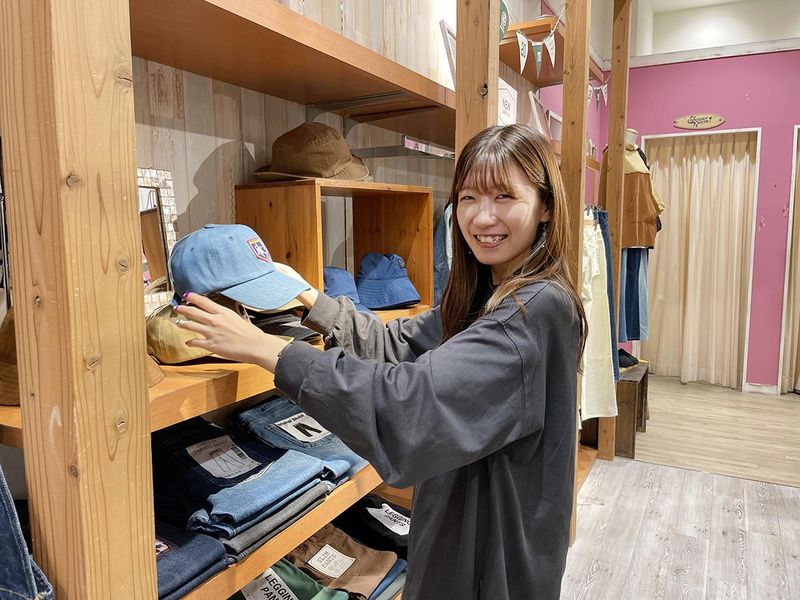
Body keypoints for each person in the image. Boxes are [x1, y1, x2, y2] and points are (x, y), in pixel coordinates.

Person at [174, 124, 587, 599]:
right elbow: (398, 345)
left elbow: (410, 404)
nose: (482, 216)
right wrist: (308, 297)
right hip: (466, 540)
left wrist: (267, 348)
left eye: (504, 196)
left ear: (545, 205)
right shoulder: (486, 294)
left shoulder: (532, 312)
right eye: (469, 198)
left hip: (490, 563)